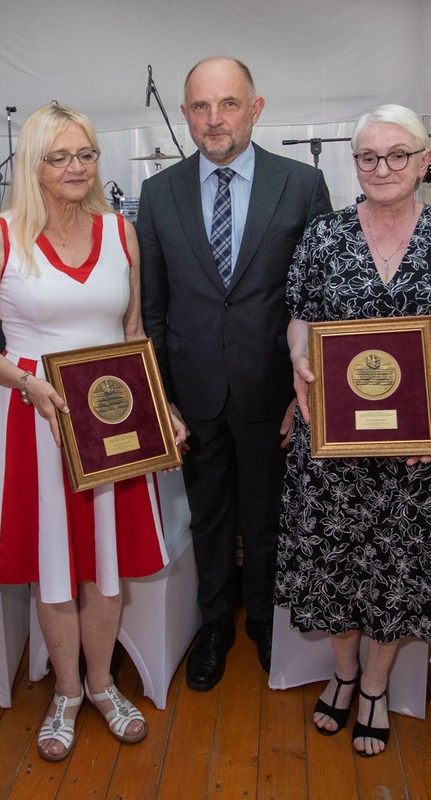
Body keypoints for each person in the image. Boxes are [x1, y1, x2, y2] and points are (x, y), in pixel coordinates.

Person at [0, 103, 185, 762]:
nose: (76, 167)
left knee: (105, 561)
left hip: (112, 418)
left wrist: (161, 407)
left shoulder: (121, 232)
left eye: (85, 154)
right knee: (55, 563)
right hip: (35, 415)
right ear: (33, 164)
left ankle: (101, 685)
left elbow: (134, 333)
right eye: (59, 156)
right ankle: (64, 692)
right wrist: (26, 382)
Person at [278, 104, 431, 757]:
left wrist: (429, 412)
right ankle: (343, 675)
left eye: (398, 154)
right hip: (332, 436)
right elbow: (300, 320)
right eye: (368, 156)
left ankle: (375, 685)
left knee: (398, 567)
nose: (383, 167)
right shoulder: (323, 235)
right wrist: (299, 360)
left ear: (424, 161)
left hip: (411, 447)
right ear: (355, 164)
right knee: (333, 564)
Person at [138, 56, 332, 690]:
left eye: (227, 104)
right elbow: (153, 308)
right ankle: (215, 624)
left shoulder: (301, 185)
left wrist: (305, 390)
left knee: (268, 517)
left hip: (274, 391)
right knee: (209, 517)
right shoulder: (159, 193)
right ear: (185, 114)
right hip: (192, 395)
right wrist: (162, 398)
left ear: (256, 108)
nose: (213, 118)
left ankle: (268, 622)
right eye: (200, 106)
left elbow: (321, 301)